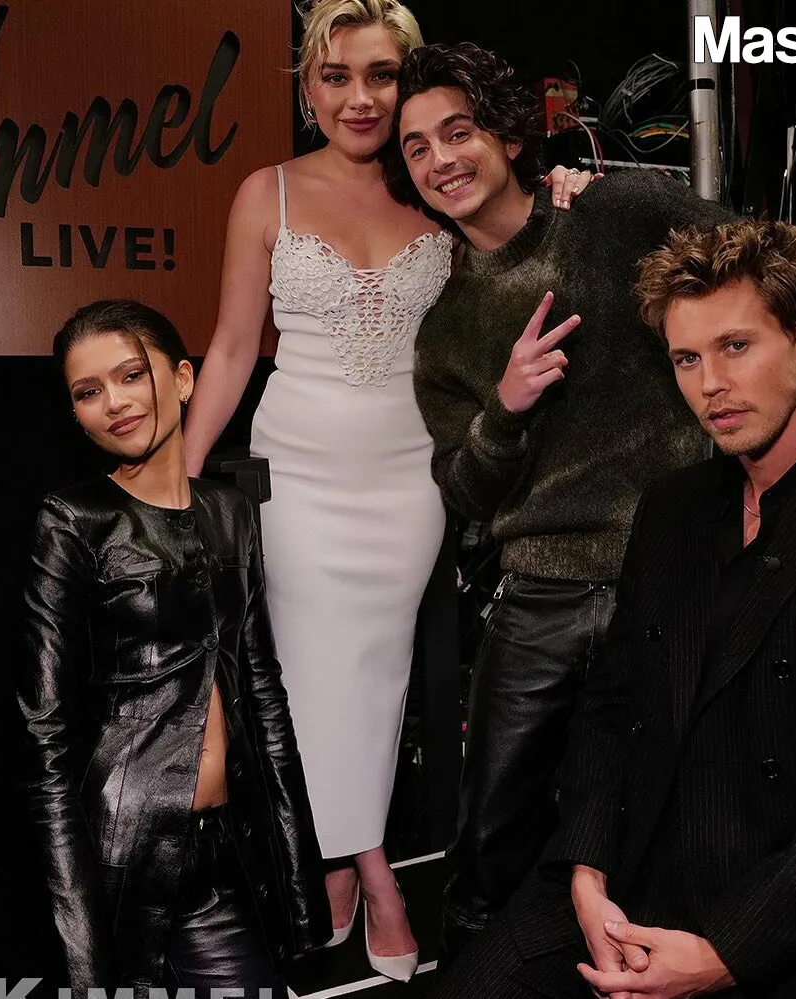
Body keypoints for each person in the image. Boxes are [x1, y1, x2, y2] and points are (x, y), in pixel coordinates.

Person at [388, 40, 796, 959]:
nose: (441, 159)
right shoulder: (443, 332)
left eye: (458, 131)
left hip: (679, 582)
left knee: (692, 822)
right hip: (543, 598)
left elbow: (785, 264)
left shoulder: (616, 212)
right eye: (417, 147)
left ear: (508, 135)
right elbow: (465, 494)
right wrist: (505, 410)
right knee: (490, 850)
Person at [180, 0, 589, 979]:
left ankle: (341, 861)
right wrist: (178, 481)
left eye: (381, 75)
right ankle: (371, 871)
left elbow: (521, 263)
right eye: (337, 76)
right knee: (311, 673)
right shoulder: (267, 194)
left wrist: (570, 200)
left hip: (409, 475)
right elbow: (232, 349)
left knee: (374, 674)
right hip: (296, 474)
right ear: (308, 88)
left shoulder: (438, 191)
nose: (359, 97)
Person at [19, 300, 330, 995]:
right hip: (127, 859)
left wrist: (297, 878)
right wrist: (81, 945)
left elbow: (262, 693)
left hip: (231, 852)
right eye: (88, 391)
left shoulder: (231, 510)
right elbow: (45, 736)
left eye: (131, 374)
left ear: (183, 379)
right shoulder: (73, 522)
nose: (114, 402)